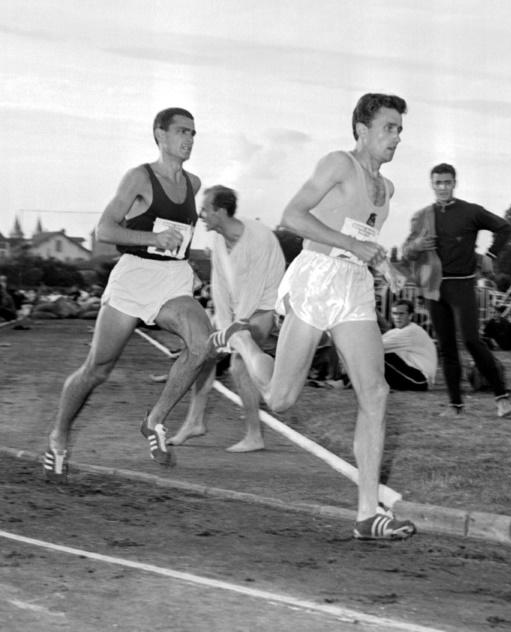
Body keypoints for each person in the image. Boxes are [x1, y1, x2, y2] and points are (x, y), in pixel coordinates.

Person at [211, 93, 416, 540]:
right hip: (315, 279)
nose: (396, 137)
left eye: (400, 129)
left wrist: (384, 264)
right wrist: (351, 247)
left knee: (376, 393)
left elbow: (361, 237)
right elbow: (292, 216)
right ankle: (243, 341)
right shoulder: (339, 164)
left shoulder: (388, 189)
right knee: (281, 398)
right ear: (362, 129)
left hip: (353, 287)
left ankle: (368, 514)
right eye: (389, 127)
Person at [43, 107, 215, 482]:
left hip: (172, 278)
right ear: (160, 134)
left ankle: (154, 420)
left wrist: (189, 261)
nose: (188, 140)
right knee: (97, 370)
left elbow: (180, 238)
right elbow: (105, 229)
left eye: (193, 133)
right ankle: (59, 435)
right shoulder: (139, 177)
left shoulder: (194, 184)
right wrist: (153, 238)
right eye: (182, 132)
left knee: (203, 346)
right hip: (134, 277)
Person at [167, 185, 286, 452]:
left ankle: (255, 432)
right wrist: (221, 328)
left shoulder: (258, 237)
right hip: (238, 312)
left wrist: (234, 329)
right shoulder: (219, 240)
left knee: (237, 365)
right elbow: (219, 287)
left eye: (205, 210)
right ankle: (195, 422)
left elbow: (255, 291)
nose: (201, 215)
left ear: (220, 211)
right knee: (204, 353)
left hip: (263, 309)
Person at [402, 163, 511, 417]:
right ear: (431, 184)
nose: (442, 187)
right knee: (447, 347)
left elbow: (506, 227)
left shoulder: (471, 211)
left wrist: (491, 254)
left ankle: (502, 398)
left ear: (455, 183)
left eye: (447, 182)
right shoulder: (422, 216)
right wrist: (418, 244)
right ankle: (455, 405)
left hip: (463, 285)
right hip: (435, 288)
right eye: (438, 183)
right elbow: (407, 251)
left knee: (473, 341)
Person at [382, 299, 437, 391]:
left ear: (410, 315)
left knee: (378, 356)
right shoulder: (395, 332)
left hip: (421, 380)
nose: (397, 317)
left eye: (401, 314)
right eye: (395, 314)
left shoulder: (412, 331)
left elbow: (374, 347)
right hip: (410, 374)